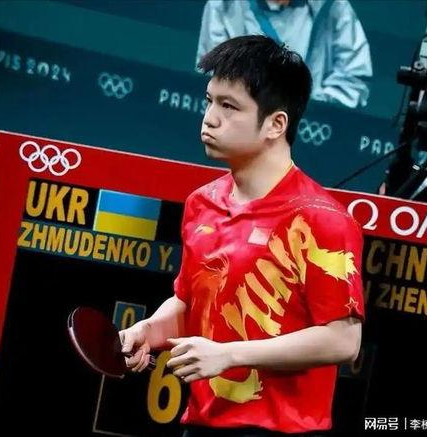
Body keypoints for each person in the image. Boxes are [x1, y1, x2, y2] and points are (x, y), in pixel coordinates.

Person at [119, 35, 365, 436]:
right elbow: (190, 303)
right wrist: (150, 330)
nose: (209, 118)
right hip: (201, 423)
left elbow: (343, 341)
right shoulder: (202, 203)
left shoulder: (322, 220)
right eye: (210, 101)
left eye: (229, 106)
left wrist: (230, 355)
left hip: (281, 432)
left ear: (276, 124)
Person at [195, 0, 373, 109]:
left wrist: (306, 109)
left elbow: (354, 81)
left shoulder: (334, 7)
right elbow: (214, 75)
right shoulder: (223, 6)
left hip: (310, 133)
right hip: (240, 127)